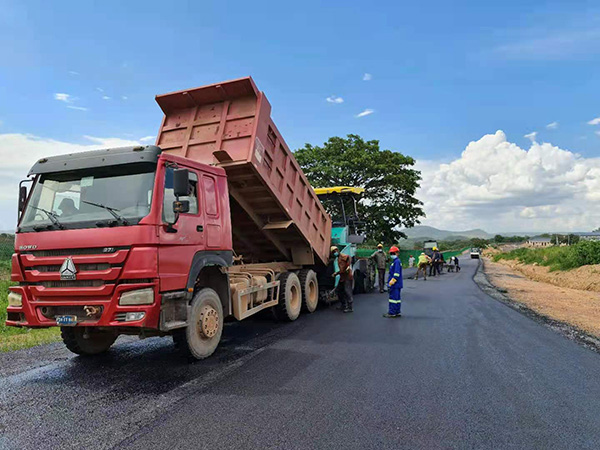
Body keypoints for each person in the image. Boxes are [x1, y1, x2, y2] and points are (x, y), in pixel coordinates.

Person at [331, 246, 353, 313]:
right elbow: (341, 270)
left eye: (335, 251)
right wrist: (336, 273)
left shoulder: (342, 256)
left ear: (337, 250)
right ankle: (343, 305)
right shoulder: (338, 258)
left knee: (347, 291)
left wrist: (348, 266)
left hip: (347, 277)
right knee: (339, 291)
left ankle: (350, 307)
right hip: (342, 277)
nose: (335, 253)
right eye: (333, 252)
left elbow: (349, 257)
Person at [383, 246, 403, 318]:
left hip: (394, 284)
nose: (392, 254)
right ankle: (397, 311)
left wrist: (391, 282)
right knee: (397, 299)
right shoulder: (396, 261)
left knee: (393, 299)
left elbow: (396, 274)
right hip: (397, 284)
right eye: (391, 253)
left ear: (397, 253)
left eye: (393, 253)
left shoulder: (396, 262)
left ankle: (392, 312)